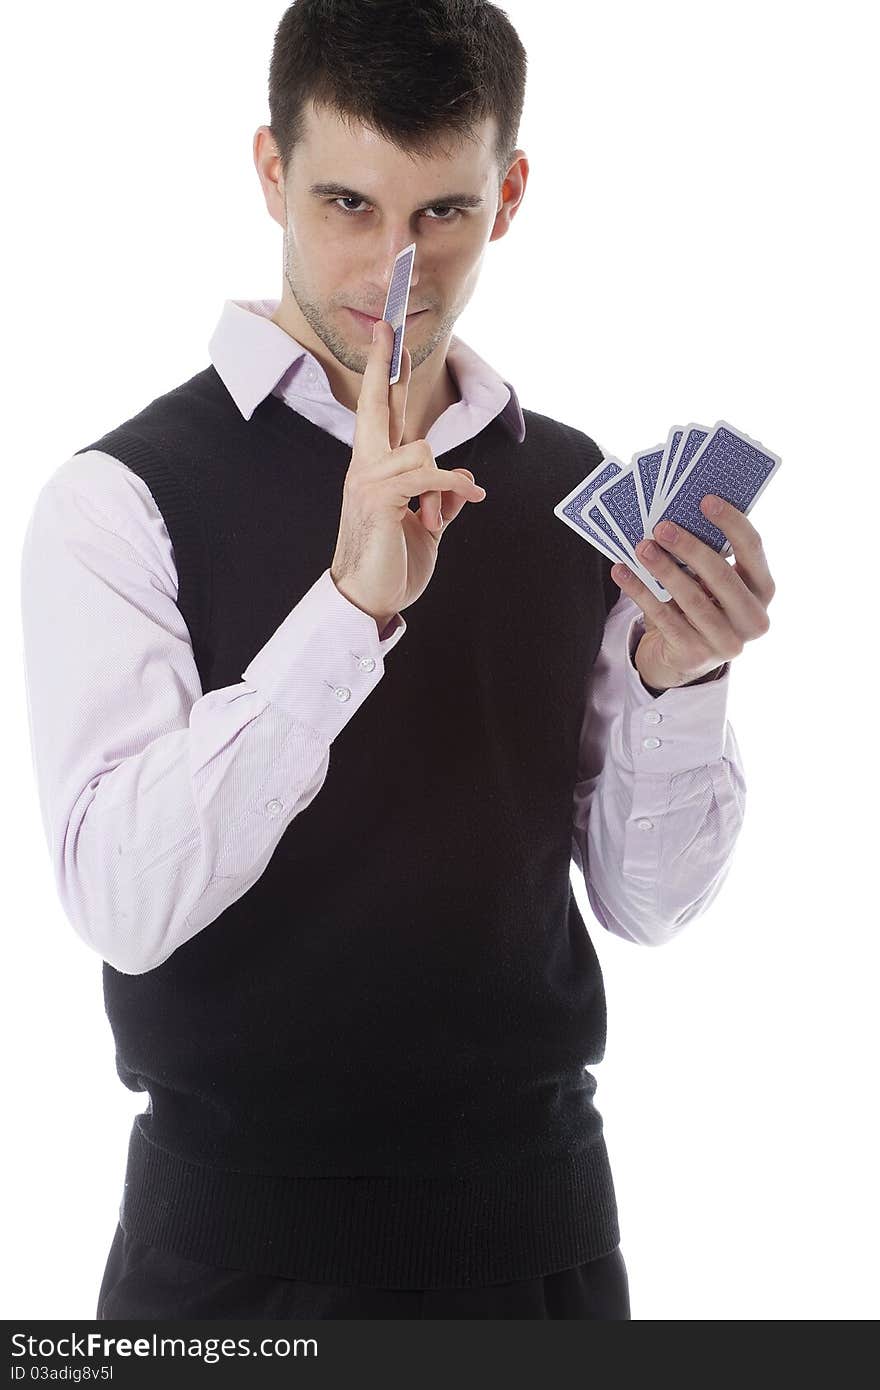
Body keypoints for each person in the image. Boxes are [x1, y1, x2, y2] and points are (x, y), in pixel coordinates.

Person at [20, 0, 772, 1321]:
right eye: (348, 205)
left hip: (545, 1245)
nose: (396, 267)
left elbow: (648, 904)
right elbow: (118, 903)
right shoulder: (116, 498)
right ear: (270, 172)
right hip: (232, 1268)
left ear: (511, 193)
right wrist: (346, 614)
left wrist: (679, 679)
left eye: (443, 214)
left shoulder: (570, 489)